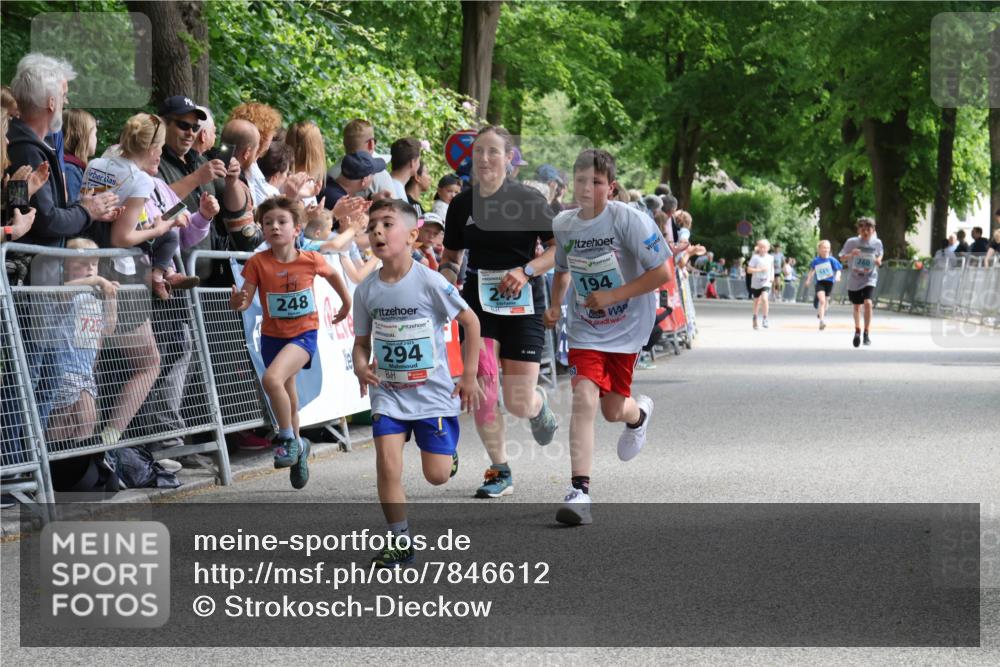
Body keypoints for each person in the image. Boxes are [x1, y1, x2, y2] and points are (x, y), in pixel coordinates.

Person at [351, 199, 484, 567]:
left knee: (437, 476)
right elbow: (360, 345)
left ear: (412, 235)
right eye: (372, 225)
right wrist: (362, 368)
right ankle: (399, 540)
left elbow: (471, 323)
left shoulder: (430, 281)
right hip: (388, 395)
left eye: (387, 224)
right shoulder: (366, 291)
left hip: (432, 395)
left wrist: (469, 376)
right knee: (387, 464)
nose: (377, 230)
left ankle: (448, 452)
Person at [542, 149, 668, 525]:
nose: (587, 188)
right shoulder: (564, 224)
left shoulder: (630, 220)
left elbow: (662, 273)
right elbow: (563, 269)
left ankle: (639, 413)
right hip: (585, 328)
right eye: (581, 180)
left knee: (614, 410)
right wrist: (554, 305)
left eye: (596, 182)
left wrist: (613, 295)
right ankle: (580, 491)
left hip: (627, 327)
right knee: (583, 397)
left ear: (610, 188)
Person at [441, 125, 559, 499]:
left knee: (518, 401)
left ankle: (539, 407)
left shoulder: (528, 200)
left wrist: (526, 271)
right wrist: (441, 289)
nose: (485, 159)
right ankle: (499, 469)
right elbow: (451, 258)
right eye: (478, 153)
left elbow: (558, 250)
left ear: (510, 159)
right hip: (478, 304)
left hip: (524, 303)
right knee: (484, 391)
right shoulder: (462, 204)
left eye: (494, 152)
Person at [230, 197, 351, 488]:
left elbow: (334, 275)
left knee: (272, 380)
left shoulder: (310, 260)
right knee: (289, 395)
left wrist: (346, 303)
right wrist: (238, 302)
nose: (274, 227)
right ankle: (300, 448)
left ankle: (287, 440)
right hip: (272, 338)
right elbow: (245, 302)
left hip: (303, 336)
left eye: (281, 222)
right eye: (268, 222)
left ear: (296, 228)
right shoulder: (258, 263)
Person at [6, 54, 117, 281]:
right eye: (64, 97)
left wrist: (85, 208)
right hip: (26, 278)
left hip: (30, 273)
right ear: (51, 103)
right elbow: (46, 221)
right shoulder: (26, 150)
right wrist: (88, 211)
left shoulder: (29, 145)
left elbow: (19, 207)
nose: (66, 104)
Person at [83, 113, 198, 299]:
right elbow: (120, 238)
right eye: (161, 147)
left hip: (86, 259)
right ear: (153, 149)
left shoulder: (96, 164)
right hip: (119, 272)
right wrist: (159, 229)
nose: (161, 152)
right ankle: (160, 275)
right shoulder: (141, 179)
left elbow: (92, 214)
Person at [46, 238, 118, 446]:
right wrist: (94, 281)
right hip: (63, 371)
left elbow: (108, 328)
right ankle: (54, 463)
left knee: (88, 420)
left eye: (94, 264)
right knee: (60, 424)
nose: (90, 269)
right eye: (81, 265)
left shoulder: (95, 295)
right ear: (66, 267)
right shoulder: (67, 291)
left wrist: (111, 298)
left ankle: (78, 465)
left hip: (85, 372)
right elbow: (62, 294)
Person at [227, 102, 283, 206]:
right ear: (263, 134)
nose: (273, 136)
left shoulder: (253, 166)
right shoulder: (245, 169)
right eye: (271, 132)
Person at [839, 217, 884, 347]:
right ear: (858, 230)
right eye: (862, 229)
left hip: (870, 277)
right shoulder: (851, 242)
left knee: (868, 303)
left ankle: (866, 332)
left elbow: (880, 255)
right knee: (857, 306)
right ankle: (857, 330)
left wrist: (878, 260)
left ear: (873, 230)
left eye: (868, 229)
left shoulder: (877, 243)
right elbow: (841, 257)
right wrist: (851, 254)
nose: (865, 232)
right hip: (854, 278)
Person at [218, 119, 262, 251]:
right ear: (247, 152)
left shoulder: (204, 165)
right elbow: (249, 241)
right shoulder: (235, 183)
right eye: (256, 149)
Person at [804, 240, 843, 330]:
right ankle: (821, 322)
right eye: (824, 248)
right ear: (819, 249)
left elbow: (838, 270)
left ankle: (821, 312)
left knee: (826, 301)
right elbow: (812, 270)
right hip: (820, 283)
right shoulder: (816, 261)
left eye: (828, 248)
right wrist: (808, 280)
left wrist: (837, 276)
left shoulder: (832, 260)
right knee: (822, 301)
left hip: (829, 283)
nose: (826, 250)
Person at [62, 108, 97, 203]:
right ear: (81, 136)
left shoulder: (74, 167)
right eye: (94, 134)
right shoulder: (70, 170)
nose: (96, 139)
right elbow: (71, 212)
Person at [284, 120, 327, 187]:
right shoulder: (304, 187)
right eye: (321, 140)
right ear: (315, 151)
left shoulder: (281, 179)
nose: (323, 141)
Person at [747, 238, 774, 329]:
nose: (762, 249)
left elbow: (772, 268)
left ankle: (765, 318)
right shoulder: (755, 257)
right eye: (760, 247)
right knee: (756, 302)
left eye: (764, 247)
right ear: (758, 248)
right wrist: (759, 270)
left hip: (766, 282)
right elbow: (749, 270)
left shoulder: (770, 257)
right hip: (756, 282)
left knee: (764, 298)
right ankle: (754, 317)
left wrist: (772, 276)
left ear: (768, 248)